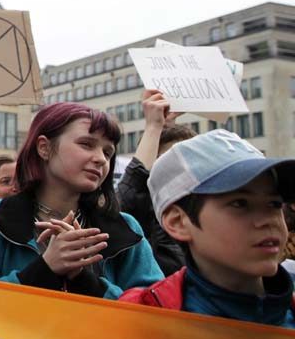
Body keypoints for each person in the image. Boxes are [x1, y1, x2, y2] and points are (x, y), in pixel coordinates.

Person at [0, 102, 162, 298]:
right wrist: (44, 269)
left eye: (108, 152)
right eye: (86, 144)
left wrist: (85, 280)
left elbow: (154, 311)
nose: (100, 158)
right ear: (44, 147)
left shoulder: (125, 228)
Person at [119, 130, 294, 327]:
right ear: (178, 222)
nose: (268, 221)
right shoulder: (139, 321)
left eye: (275, 204)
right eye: (240, 203)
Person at [114, 89, 196, 276]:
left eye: (189, 157)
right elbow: (132, 192)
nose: (182, 166)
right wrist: (155, 127)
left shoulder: (213, 209)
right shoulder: (144, 215)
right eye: (169, 159)